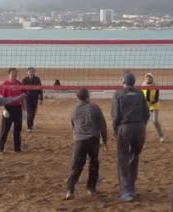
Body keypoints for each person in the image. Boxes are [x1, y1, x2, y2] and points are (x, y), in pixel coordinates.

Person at [111, 72, 150, 202]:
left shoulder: (118, 94)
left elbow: (116, 116)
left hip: (125, 128)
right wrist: (142, 126)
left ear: (124, 82)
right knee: (134, 157)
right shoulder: (140, 94)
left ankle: (126, 192)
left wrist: (115, 129)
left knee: (123, 160)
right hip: (139, 128)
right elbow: (147, 113)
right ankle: (132, 188)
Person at [65, 88, 107, 200]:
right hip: (92, 139)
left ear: (78, 97)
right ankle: (91, 188)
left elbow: (73, 125)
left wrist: (77, 135)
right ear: (88, 96)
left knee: (77, 166)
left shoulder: (74, 109)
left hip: (79, 140)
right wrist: (105, 140)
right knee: (94, 164)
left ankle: (69, 190)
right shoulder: (95, 107)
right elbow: (103, 125)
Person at [0, 68, 24, 153]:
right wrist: (4, 109)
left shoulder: (19, 83)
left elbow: (22, 97)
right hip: (8, 108)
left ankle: (17, 149)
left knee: (17, 130)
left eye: (16, 73)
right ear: (9, 74)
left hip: (18, 109)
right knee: (5, 130)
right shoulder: (5, 84)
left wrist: (24, 109)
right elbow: (1, 98)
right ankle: (1, 149)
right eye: (13, 73)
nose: (14, 75)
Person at [142, 73, 165, 143]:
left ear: (152, 78)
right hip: (146, 105)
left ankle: (161, 136)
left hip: (154, 105)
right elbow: (141, 96)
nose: (148, 78)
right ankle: (141, 137)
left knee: (155, 121)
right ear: (145, 78)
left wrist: (152, 102)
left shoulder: (155, 86)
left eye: (150, 77)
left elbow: (157, 97)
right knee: (143, 122)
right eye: (147, 77)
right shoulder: (142, 86)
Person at [21, 67, 44, 132]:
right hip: (27, 98)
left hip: (35, 98)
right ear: (27, 72)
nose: (31, 73)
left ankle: (31, 125)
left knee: (33, 113)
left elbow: (40, 89)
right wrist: (22, 97)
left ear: (34, 72)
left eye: (33, 71)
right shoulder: (24, 79)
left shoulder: (37, 79)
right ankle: (29, 127)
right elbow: (22, 89)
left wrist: (41, 99)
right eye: (30, 71)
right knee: (29, 113)